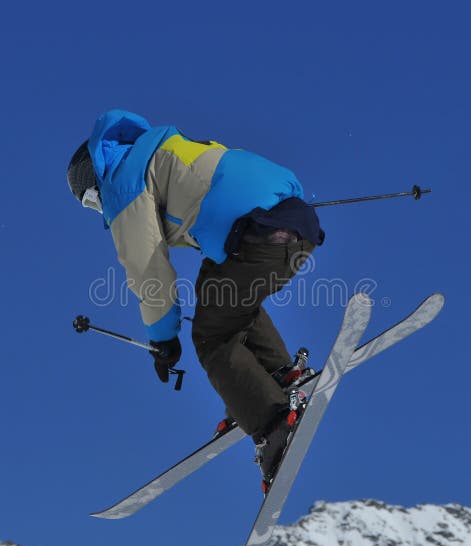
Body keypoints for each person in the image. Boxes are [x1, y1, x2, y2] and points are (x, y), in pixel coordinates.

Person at [67, 109, 324, 487]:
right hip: (298, 227)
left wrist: (163, 340)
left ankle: (272, 425)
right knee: (221, 295)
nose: (98, 209)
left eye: (91, 202)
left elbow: (147, 268)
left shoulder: (121, 181)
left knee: (212, 338)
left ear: (94, 182)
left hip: (260, 238)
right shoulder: (160, 145)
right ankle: (274, 377)